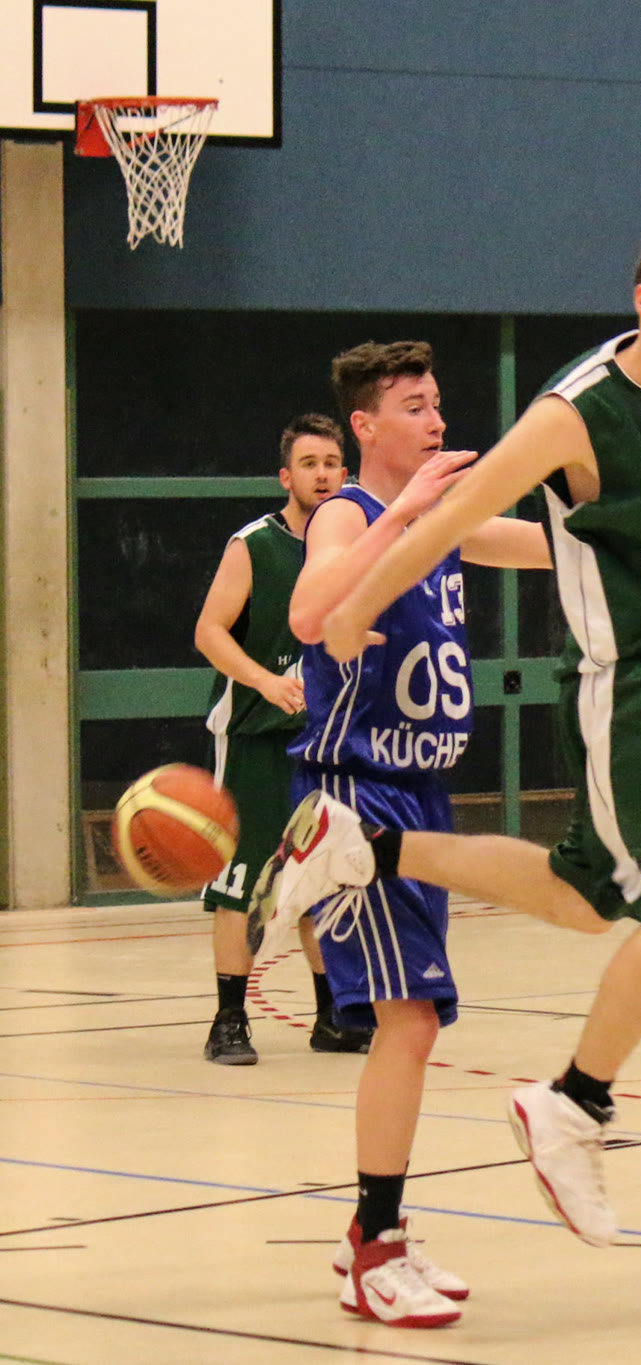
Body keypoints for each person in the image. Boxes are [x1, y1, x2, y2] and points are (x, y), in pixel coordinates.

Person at [248, 225, 641, 1258]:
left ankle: (365, 850)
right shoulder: (552, 421)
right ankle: (564, 1109)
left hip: (619, 707)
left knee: (583, 901)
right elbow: (423, 541)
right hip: (590, 698)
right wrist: (353, 604)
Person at [261, 341, 552, 1327]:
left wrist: (636, 534)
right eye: (415, 406)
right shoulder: (348, 514)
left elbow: (543, 544)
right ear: (366, 426)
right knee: (409, 1023)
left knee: (413, 1023)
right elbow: (310, 611)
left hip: (420, 794)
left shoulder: (437, 521)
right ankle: (373, 1244)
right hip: (358, 799)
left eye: (437, 405)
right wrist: (411, 509)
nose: (436, 421)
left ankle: (376, 1232)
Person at [193, 415, 369, 1062]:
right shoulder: (254, 545)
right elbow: (209, 631)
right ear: (285, 477)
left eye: (331, 463)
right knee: (241, 881)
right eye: (309, 463)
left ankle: (334, 1017)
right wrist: (266, 681)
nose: (322, 474)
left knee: (324, 878)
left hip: (326, 742)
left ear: (346, 474)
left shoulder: (358, 548)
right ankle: (229, 1020)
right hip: (255, 736)